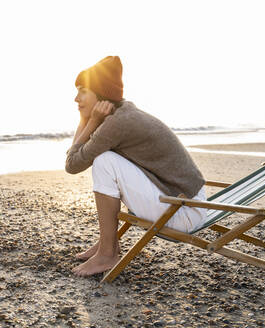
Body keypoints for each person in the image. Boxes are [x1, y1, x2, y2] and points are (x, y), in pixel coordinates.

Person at [65, 56, 207, 277]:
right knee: (107, 158)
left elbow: (72, 165)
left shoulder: (117, 123)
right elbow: (75, 160)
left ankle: (107, 253)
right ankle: (106, 244)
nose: (76, 98)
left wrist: (88, 121)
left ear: (101, 94)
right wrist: (89, 119)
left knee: (105, 161)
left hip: (184, 211)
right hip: (183, 202)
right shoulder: (122, 114)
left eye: (83, 91)